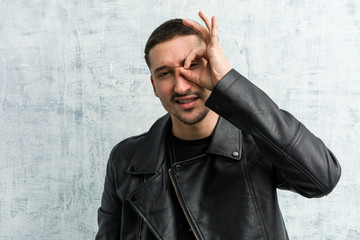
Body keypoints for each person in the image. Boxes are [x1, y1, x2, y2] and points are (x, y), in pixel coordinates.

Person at [96, 11, 341, 240]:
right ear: (154, 86)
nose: (181, 87)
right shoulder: (126, 159)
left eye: (192, 65)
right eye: (165, 74)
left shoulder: (256, 141)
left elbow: (323, 178)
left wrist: (227, 81)